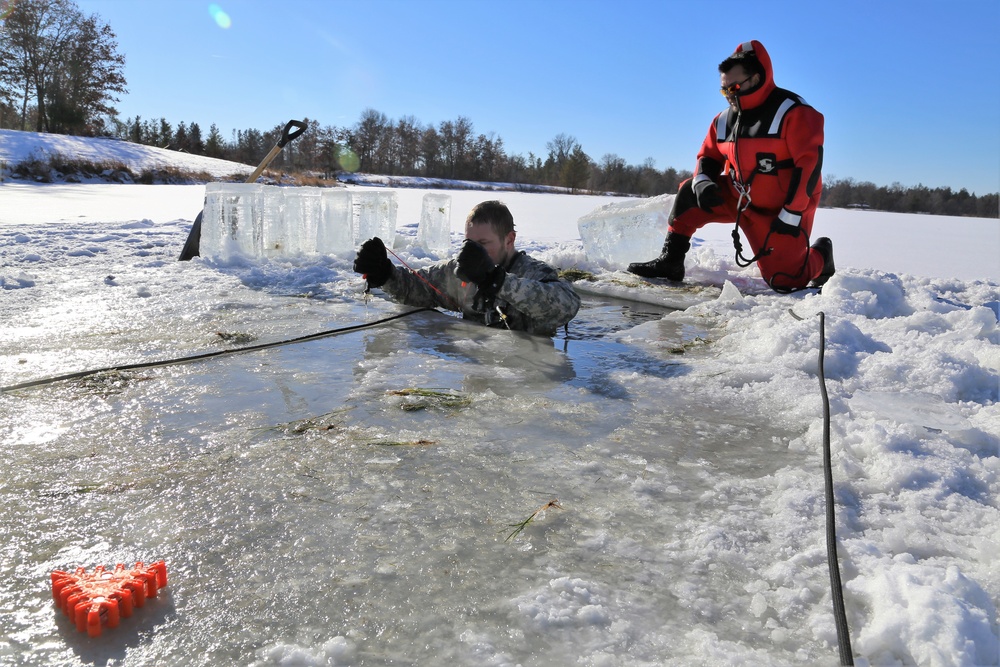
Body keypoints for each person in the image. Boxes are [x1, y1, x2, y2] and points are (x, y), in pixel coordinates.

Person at [628, 40, 834, 292]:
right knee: (689, 191)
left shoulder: (795, 113)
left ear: (757, 78)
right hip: (740, 198)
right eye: (724, 90)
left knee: (785, 280)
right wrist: (703, 183)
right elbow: (708, 157)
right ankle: (671, 261)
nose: (729, 96)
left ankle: (822, 255)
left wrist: (792, 214)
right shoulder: (723, 120)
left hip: (782, 208)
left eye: (735, 87)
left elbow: (809, 168)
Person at [352, 200, 581, 336]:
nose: (474, 252)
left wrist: (496, 280)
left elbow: (566, 306)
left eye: (483, 244)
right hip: (476, 368)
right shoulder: (460, 270)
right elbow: (418, 288)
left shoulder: (532, 272)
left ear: (509, 239)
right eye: (469, 243)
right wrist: (384, 273)